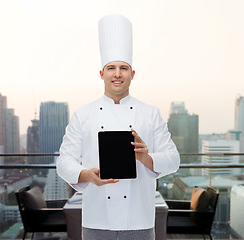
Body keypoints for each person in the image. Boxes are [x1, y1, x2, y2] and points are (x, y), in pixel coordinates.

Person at [56, 14, 180, 240]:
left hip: (139, 220)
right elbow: (63, 162)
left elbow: (174, 158)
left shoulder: (150, 113)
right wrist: (85, 174)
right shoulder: (83, 115)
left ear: (132, 75)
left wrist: (147, 158)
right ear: (102, 74)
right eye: (111, 68)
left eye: (123, 68)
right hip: (97, 219)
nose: (117, 74)